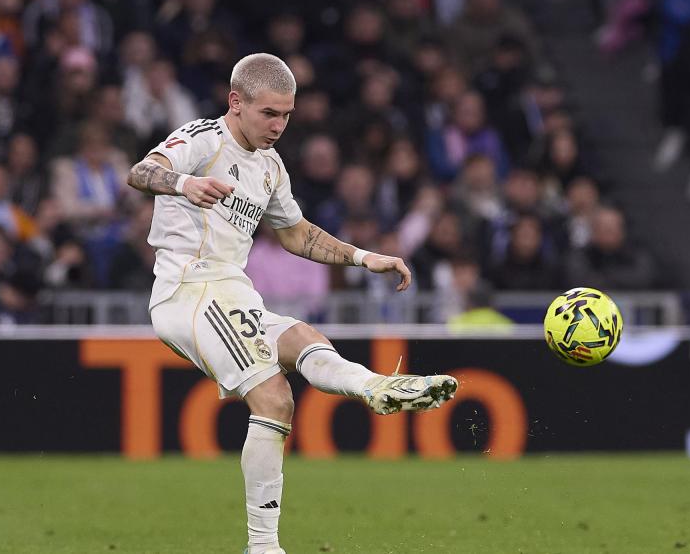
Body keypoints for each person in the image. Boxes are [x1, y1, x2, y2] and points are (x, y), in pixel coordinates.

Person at [125, 53, 457, 554]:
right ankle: (263, 548)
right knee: (274, 398)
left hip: (231, 290)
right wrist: (184, 183)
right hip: (188, 290)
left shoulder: (270, 166)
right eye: (269, 114)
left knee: (304, 338)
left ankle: (375, 387)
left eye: (286, 115)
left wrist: (366, 258)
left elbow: (297, 235)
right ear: (236, 102)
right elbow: (141, 171)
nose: (279, 126)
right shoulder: (203, 139)